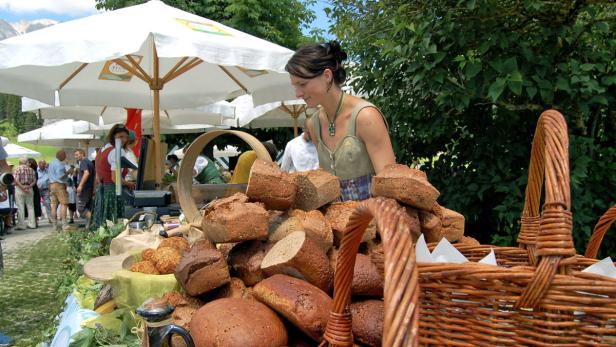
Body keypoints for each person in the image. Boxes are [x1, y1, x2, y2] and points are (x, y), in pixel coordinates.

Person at [286, 41, 396, 201]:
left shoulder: (365, 117)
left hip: (378, 219)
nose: (297, 93)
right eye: (294, 86)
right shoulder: (313, 124)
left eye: (302, 84)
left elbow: (391, 187)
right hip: (338, 223)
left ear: (327, 76)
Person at [92, 124, 133, 228]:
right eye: (120, 136)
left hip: (102, 191)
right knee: (115, 224)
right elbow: (115, 179)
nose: (123, 140)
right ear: (113, 137)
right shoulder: (117, 151)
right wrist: (129, 184)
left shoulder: (102, 151)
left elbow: (98, 177)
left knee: (104, 224)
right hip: (113, 192)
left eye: (126, 137)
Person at [12, 157, 37, 230]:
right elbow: (34, 181)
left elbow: (16, 180)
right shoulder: (31, 169)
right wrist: (29, 186)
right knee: (30, 206)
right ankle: (32, 224)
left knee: (20, 207)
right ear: (26, 162)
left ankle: (21, 225)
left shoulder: (17, 169)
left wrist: (22, 187)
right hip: (29, 188)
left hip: (20, 188)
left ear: (19, 162)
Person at [48, 150, 69, 231]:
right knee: (64, 203)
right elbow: (61, 176)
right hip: (59, 184)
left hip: (52, 184)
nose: (65, 157)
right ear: (61, 155)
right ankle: (64, 224)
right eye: (64, 155)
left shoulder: (51, 163)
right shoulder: (59, 164)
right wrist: (68, 172)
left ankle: (54, 225)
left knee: (54, 205)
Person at [75, 149, 95, 228]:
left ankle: (95, 222)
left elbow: (86, 173)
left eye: (77, 154)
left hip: (84, 189)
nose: (75, 156)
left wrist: (80, 185)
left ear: (82, 154)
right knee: (88, 208)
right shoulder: (90, 163)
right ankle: (89, 226)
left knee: (81, 208)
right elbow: (94, 177)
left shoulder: (83, 162)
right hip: (89, 188)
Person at [27, 158, 42, 226]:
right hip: (35, 188)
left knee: (32, 205)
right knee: (35, 204)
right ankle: (35, 221)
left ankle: (34, 221)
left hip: (31, 188)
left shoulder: (30, 171)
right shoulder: (35, 171)